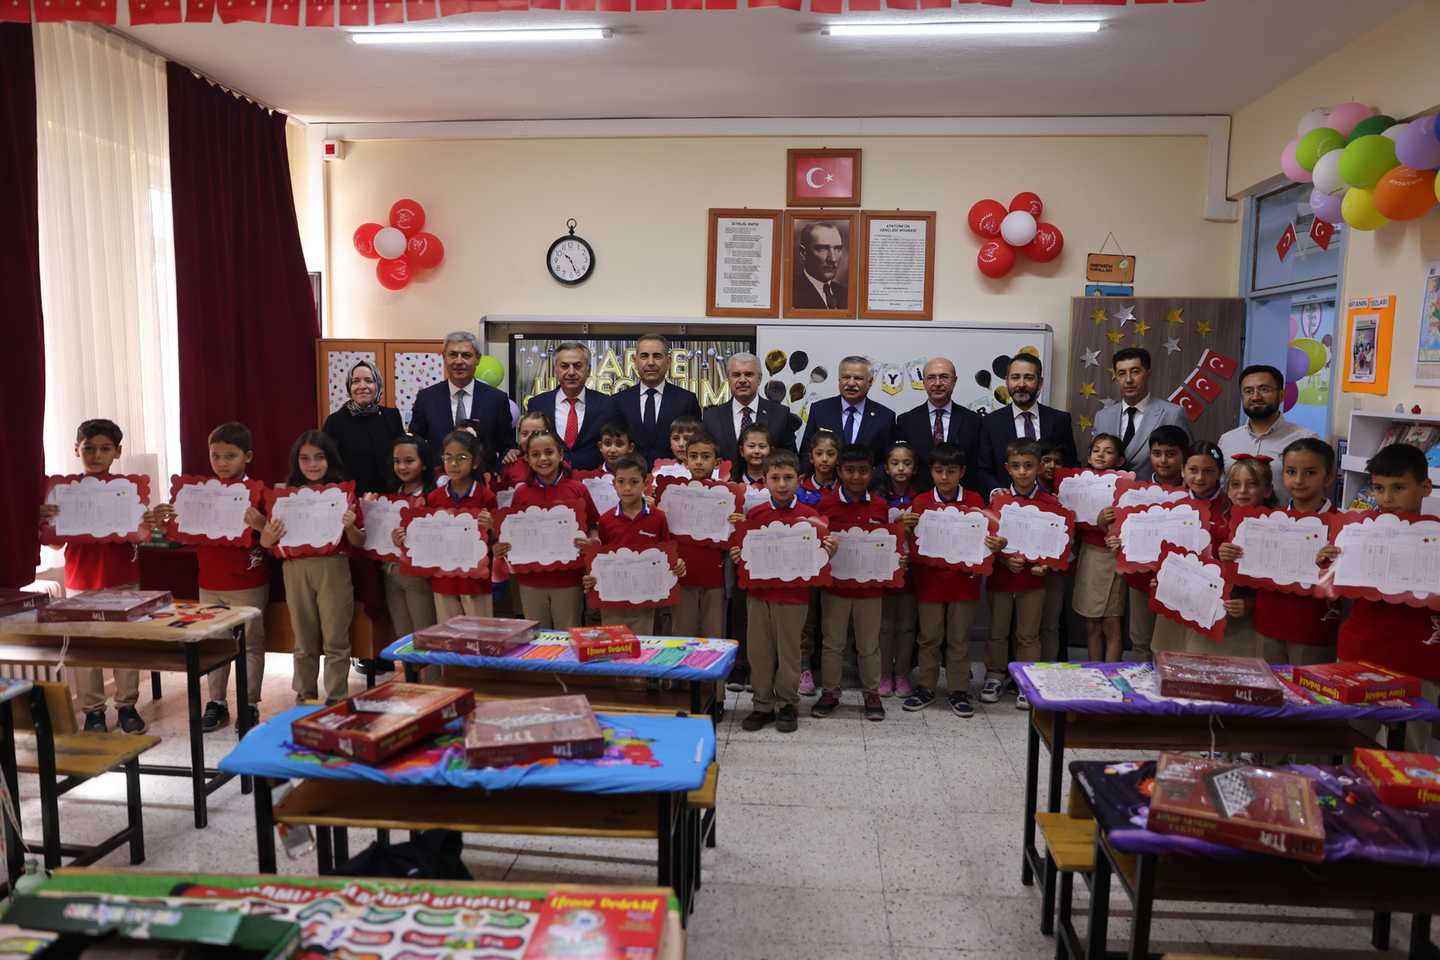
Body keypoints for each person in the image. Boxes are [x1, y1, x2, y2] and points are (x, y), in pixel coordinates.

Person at [150, 422, 270, 733]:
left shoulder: (258, 492)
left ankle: (250, 705)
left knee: (250, 645)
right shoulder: (200, 493)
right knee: (215, 643)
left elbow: (272, 538)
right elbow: (181, 535)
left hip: (247, 582)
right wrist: (167, 524)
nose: (222, 463)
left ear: (247, 457)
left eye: (230, 456)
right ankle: (217, 702)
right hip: (210, 582)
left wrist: (260, 523)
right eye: (215, 456)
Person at [1322, 443, 1440, 752]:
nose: (1387, 498)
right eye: (1378, 488)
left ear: (1426, 487)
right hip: (1362, 650)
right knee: (1351, 741)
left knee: (1411, 750)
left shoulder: (1436, 536)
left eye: (1399, 488)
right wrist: (1328, 562)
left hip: (1418, 656)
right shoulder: (1357, 532)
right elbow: (1328, 588)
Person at [38, 419, 149, 733]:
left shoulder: (128, 489)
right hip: (81, 581)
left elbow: (141, 534)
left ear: (117, 452)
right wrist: (44, 520)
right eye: (89, 449)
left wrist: (146, 521)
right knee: (85, 648)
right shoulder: (63, 492)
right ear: (77, 450)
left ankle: (127, 706)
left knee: (124, 645)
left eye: (105, 449)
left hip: (123, 579)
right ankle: (93, 712)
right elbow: (55, 542)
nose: (96, 455)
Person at [731, 449, 836, 734]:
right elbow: (744, 554)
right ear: (764, 480)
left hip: (793, 598)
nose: (781, 484)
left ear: (799, 480)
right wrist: (739, 555)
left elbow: (820, 559)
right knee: (759, 652)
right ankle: (762, 704)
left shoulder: (811, 518)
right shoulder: (755, 515)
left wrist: (828, 552)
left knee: (789, 653)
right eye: (775, 478)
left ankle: (787, 703)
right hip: (759, 596)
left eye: (788, 478)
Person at [898, 442, 1003, 717]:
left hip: (964, 583)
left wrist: (993, 546)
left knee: (958, 639)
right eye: (938, 471)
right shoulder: (920, 502)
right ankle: (926, 686)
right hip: (930, 582)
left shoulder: (975, 501)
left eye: (951, 471)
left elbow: (986, 539)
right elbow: (911, 544)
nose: (944, 477)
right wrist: (904, 529)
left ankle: (958, 690)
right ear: (931, 472)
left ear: (962, 472)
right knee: (929, 637)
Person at [261, 430, 363, 704]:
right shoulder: (285, 495)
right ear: (296, 461)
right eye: (305, 458)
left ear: (330, 459)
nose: (313, 464)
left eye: (319, 457)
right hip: (296, 569)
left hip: (333, 568)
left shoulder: (343, 493)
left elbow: (359, 541)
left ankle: (336, 697)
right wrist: (267, 534)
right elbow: (267, 542)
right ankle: (305, 695)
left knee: (335, 637)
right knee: (304, 638)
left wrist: (350, 526)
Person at [812, 444, 891, 722]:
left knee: (869, 644)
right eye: (849, 470)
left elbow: (888, 544)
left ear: (872, 472)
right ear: (839, 471)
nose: (856, 477)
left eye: (863, 471)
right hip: (835, 587)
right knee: (832, 642)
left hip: (870, 589)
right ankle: (830, 692)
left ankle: (871, 693)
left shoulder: (880, 506)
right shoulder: (825, 504)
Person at [492, 429, 600, 629]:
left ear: (561, 454)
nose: (543, 458)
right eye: (535, 454)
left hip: (569, 580)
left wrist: (592, 542)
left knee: (568, 634)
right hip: (530, 580)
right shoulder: (522, 493)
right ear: (527, 459)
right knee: (536, 637)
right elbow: (513, 534)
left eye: (549, 452)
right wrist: (502, 547)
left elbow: (593, 525)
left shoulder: (578, 489)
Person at [1247, 438, 1339, 666]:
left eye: (1310, 473)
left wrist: (1334, 563)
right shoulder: (1267, 521)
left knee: (1308, 686)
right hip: (1268, 620)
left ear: (1328, 477)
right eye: (1291, 472)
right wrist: (1235, 554)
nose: (1298, 480)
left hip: (1313, 627)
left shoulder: (1342, 526)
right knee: (1268, 683)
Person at [983, 439, 1058, 710]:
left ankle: (1027, 680)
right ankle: (995, 675)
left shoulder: (1051, 502)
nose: (1023, 472)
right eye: (1016, 466)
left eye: (1028, 465)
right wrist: (1004, 559)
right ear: (1007, 468)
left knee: (1029, 634)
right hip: (1001, 577)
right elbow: (986, 540)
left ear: (1040, 467)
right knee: (998, 630)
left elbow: (1057, 543)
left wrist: (1046, 564)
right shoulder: (997, 500)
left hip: (1033, 580)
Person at [1106, 425, 1188, 662]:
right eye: (1157, 453)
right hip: (1141, 577)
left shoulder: (1192, 491)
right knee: (1140, 639)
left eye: (1171, 454)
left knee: (1171, 643)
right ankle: (1142, 681)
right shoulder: (1135, 492)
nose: (1163, 461)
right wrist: (1115, 538)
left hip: (1179, 580)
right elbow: (1119, 531)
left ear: (1183, 455)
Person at [584, 454, 684, 635]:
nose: (627, 488)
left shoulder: (658, 518)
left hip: (646, 602)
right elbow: (600, 561)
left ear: (645, 483)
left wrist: (677, 565)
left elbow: (666, 556)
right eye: (621, 482)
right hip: (613, 602)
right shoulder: (605, 521)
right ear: (614, 484)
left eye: (634, 482)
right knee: (615, 644)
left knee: (644, 646)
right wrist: (592, 576)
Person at [401, 430, 496, 619]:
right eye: (448, 457)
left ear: (475, 462)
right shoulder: (434, 498)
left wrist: (492, 527)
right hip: (443, 580)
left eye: (461, 458)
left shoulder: (485, 496)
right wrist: (405, 537)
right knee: (448, 631)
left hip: (475, 581)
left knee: (480, 631)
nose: (453, 464)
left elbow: (495, 541)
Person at [409, 332, 513, 472]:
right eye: (453, 355)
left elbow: (507, 447)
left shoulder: (496, 399)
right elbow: (415, 444)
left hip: (483, 481)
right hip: (438, 480)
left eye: (466, 355)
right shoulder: (426, 398)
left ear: (478, 359)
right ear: (444, 357)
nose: (458, 361)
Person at [977, 353, 1078, 495]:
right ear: (1007, 382)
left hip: (1051, 503)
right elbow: (983, 469)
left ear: (1040, 382)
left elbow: (1071, 465)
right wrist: (995, 491)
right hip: (1006, 503)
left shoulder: (1060, 420)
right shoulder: (990, 422)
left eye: (1028, 378)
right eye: (1015, 377)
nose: (1021, 384)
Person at [376, 434, 438, 659]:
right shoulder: (390, 497)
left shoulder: (433, 498)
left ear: (424, 463)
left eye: (409, 461)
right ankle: (411, 679)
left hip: (418, 576)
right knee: (403, 639)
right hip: (390, 573)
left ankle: (432, 681)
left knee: (425, 637)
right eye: (397, 461)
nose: (402, 467)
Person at [1092, 348, 1189, 480]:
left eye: (1135, 371)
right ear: (1116, 378)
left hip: (1155, 491)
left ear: (1148, 373)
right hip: (1107, 491)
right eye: (1121, 373)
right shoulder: (1102, 417)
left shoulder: (1173, 414)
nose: (1128, 380)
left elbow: (1188, 463)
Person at [1218, 364, 1316, 493]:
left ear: (1281, 395)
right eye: (1248, 391)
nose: (1255, 397)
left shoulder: (1305, 440)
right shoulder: (1227, 440)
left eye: (1264, 389)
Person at [1072, 434, 1127, 662]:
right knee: (1092, 623)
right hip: (1089, 555)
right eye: (1096, 450)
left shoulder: (1126, 487)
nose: (1101, 455)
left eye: (1108, 451)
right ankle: (1095, 672)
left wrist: (1107, 525)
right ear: (1088, 456)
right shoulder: (1077, 484)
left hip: (1113, 557)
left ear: (1120, 460)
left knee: (1112, 623)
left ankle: (1111, 673)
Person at [894, 357, 985, 493]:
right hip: (918, 497)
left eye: (944, 377)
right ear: (924, 382)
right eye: (931, 378)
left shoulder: (973, 421)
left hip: (963, 498)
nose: (937, 383)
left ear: (954, 381)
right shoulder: (906, 421)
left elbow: (978, 466)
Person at [526, 342, 619, 472]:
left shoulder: (607, 404)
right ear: (555, 370)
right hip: (549, 478)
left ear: (588, 370)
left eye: (577, 366)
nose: (571, 372)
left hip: (594, 479)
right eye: (564, 366)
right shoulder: (537, 404)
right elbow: (529, 444)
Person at [670, 430, 727, 639]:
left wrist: (737, 522)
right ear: (686, 461)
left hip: (715, 575)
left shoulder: (727, 495)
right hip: (684, 573)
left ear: (717, 462)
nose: (699, 462)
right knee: (682, 634)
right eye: (693, 456)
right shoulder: (673, 493)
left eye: (705, 456)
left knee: (714, 634)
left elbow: (733, 538)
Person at [613, 334, 701, 468]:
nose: (650, 362)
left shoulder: (687, 400)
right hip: (630, 476)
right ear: (635, 361)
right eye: (644, 356)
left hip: (676, 476)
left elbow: (696, 445)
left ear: (668, 361)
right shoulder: (619, 401)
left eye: (657, 356)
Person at [322, 360, 405, 497]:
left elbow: (401, 456)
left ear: (377, 385)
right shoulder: (334, 422)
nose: (362, 386)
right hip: (351, 500)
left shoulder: (392, 416)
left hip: (389, 498)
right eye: (355, 381)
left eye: (369, 380)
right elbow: (329, 466)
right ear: (349, 387)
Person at [877, 441, 920, 698]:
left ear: (914, 468)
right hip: (885, 570)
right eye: (895, 463)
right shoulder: (878, 498)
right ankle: (883, 673)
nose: (901, 468)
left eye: (907, 463)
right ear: (886, 468)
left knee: (907, 625)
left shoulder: (922, 498)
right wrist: (896, 526)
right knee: (884, 625)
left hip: (913, 571)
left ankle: (902, 673)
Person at [701, 353, 797, 463]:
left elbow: (791, 459)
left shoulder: (780, 414)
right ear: (728, 379)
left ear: (759, 379)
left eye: (748, 374)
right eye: (736, 375)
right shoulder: (711, 417)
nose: (742, 380)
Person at [800, 356, 895, 462]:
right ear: (839, 379)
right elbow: (805, 454)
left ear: (870, 381)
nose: (851, 383)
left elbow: (887, 461)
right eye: (846, 377)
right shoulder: (819, 410)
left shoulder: (885, 417)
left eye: (858, 378)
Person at [791, 221, 848, 311]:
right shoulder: (791, 293)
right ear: (803, 253)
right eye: (823, 249)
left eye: (837, 249)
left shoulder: (845, 294)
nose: (832, 259)